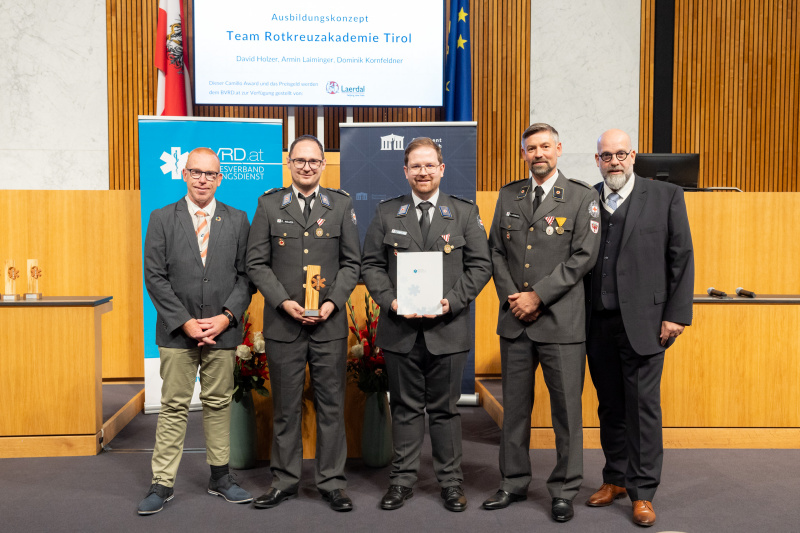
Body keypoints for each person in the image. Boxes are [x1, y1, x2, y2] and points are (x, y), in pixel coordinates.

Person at [361, 137, 492, 512]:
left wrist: (451, 300)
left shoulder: (464, 213)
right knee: (403, 407)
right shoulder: (388, 213)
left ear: (442, 169)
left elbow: (481, 266)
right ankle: (401, 482)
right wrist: (392, 301)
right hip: (400, 329)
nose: (422, 172)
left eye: (429, 165)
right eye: (415, 166)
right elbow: (370, 265)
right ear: (405, 171)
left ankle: (450, 482)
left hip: (447, 329)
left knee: (445, 409)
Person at [482, 123, 601, 522]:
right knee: (515, 408)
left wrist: (537, 296)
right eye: (531, 148)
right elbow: (496, 251)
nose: (538, 154)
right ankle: (513, 482)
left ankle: (564, 488)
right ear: (523, 154)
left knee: (566, 411)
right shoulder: (508, 195)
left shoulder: (582, 197)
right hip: (516, 321)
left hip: (561, 323)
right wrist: (513, 298)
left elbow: (584, 256)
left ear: (559, 149)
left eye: (545, 146)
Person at [583, 129, 694, 527]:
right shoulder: (586, 198)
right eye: (606, 155)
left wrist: (676, 314)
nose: (614, 161)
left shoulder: (665, 197)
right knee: (610, 406)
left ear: (634, 156)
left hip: (648, 324)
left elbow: (681, 257)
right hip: (596, 323)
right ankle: (614, 478)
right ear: (597, 160)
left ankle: (643, 492)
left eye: (621, 154)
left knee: (643, 409)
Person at [245, 134, 361, 512]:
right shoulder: (267, 205)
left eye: (313, 161)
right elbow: (256, 264)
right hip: (284, 325)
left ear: (323, 165)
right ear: (289, 164)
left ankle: (331, 483)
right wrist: (283, 302)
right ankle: (285, 481)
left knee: (331, 406)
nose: (307, 166)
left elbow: (352, 264)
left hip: (329, 325)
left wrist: (332, 303)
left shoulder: (341, 206)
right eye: (300, 161)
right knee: (286, 408)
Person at [139, 147, 255, 515]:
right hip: (177, 332)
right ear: (184, 175)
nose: (203, 179)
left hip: (222, 331)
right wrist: (184, 321)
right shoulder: (161, 218)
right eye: (196, 172)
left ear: (220, 178)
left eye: (210, 173)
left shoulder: (238, 220)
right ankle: (162, 483)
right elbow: (154, 276)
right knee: (173, 405)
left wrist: (226, 317)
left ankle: (220, 477)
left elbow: (246, 275)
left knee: (219, 404)